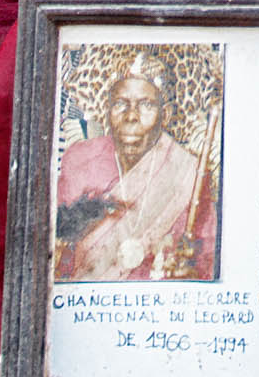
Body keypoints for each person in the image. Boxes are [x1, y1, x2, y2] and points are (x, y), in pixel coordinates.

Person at [47, 50, 218, 281]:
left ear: (165, 115)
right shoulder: (79, 161)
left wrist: (191, 273)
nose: (131, 116)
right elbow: (52, 249)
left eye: (146, 104)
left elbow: (209, 262)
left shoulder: (188, 173)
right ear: (107, 111)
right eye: (120, 104)